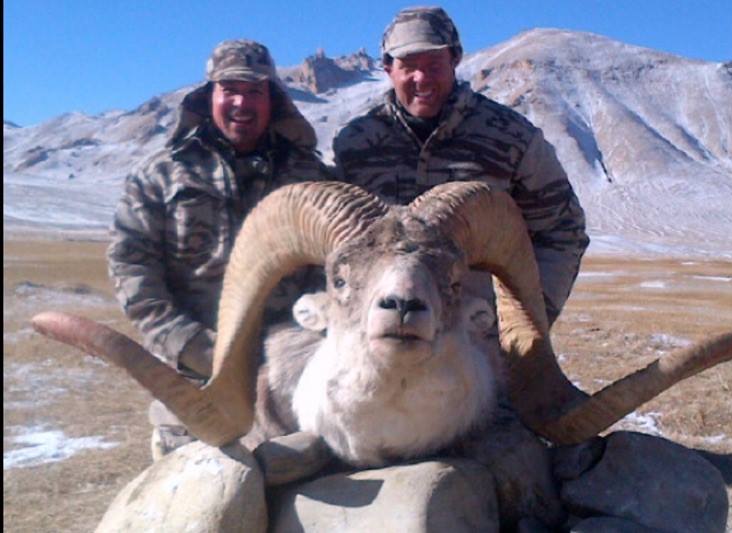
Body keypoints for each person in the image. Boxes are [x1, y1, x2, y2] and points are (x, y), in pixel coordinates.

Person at [107, 39, 330, 459]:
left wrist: (310, 335)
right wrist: (187, 342)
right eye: (230, 89)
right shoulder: (159, 175)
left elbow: (339, 263)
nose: (241, 102)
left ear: (274, 99)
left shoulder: (312, 177)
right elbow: (131, 266)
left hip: (293, 372)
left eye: (255, 91)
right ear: (209, 94)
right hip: (194, 375)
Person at [333, 7, 589, 325]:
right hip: (377, 331)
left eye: (433, 65)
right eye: (409, 66)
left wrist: (529, 320)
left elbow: (562, 231)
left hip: (471, 342)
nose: (421, 78)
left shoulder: (512, 137)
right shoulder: (354, 143)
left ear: (455, 59)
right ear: (387, 68)